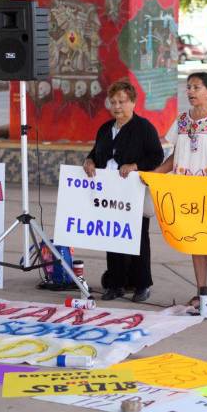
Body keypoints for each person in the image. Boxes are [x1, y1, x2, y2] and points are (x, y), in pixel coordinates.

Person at [154, 72, 207, 312]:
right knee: (194, 242)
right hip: (186, 191)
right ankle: (202, 291)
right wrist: (154, 174)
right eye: (189, 87)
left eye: (197, 87)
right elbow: (175, 156)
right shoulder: (182, 120)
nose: (191, 92)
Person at [83, 80, 164, 302]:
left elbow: (156, 156)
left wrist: (135, 165)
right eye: (113, 102)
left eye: (122, 101)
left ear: (133, 102)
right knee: (112, 238)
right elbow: (95, 151)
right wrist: (89, 161)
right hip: (108, 194)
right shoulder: (105, 128)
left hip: (132, 193)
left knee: (137, 239)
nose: (117, 106)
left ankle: (142, 285)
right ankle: (115, 284)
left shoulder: (144, 128)